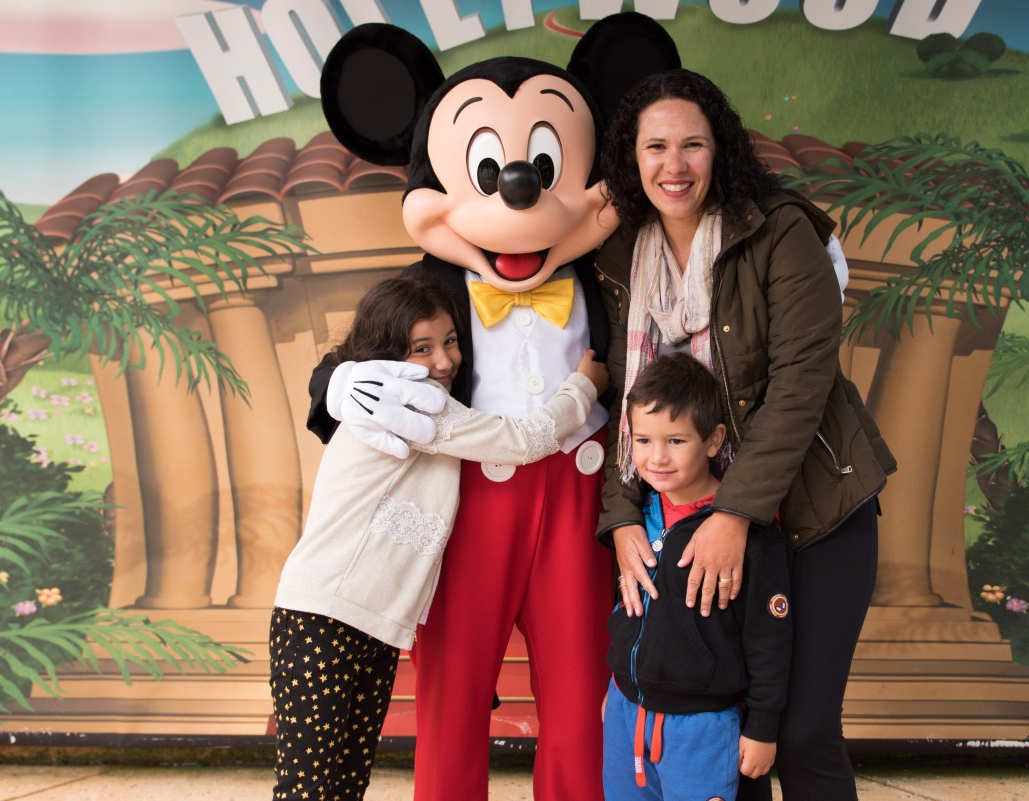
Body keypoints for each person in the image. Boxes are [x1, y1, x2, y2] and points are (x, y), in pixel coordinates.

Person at [595, 69, 897, 801]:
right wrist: (623, 515)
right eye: (656, 147)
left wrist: (734, 513)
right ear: (632, 157)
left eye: (692, 145)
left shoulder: (779, 230)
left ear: (720, 149)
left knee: (801, 731)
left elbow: (802, 383)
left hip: (813, 512)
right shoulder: (620, 252)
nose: (674, 165)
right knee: (728, 733)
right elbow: (626, 401)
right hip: (688, 518)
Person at [271, 274, 607, 801]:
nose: (445, 361)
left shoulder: (417, 396)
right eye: (421, 348)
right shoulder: (411, 401)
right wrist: (583, 386)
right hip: (322, 620)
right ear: (388, 352)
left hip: (374, 626)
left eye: (450, 341)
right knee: (309, 789)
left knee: (345, 782)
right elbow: (523, 440)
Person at [603, 353, 792, 801]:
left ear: (713, 440)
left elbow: (769, 639)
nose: (657, 457)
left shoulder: (748, 538)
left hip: (701, 729)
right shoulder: (637, 520)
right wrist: (619, 682)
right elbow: (629, 609)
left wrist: (763, 727)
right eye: (643, 440)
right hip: (626, 712)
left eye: (675, 440)